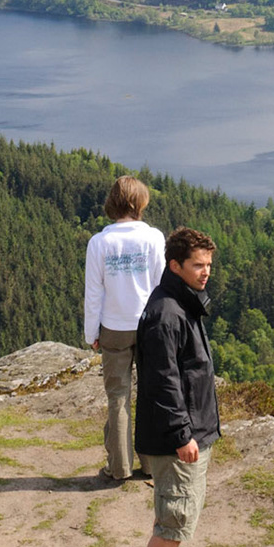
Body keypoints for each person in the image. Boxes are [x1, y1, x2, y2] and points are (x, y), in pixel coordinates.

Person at [123, 226, 219, 547]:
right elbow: (162, 382)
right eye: (197, 265)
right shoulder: (166, 314)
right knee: (173, 523)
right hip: (177, 438)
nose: (205, 273)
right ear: (175, 265)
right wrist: (183, 434)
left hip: (190, 431)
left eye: (209, 266)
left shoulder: (179, 302)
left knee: (178, 516)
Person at [84, 175, 164, 482]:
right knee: (149, 394)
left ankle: (118, 468)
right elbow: (161, 287)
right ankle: (151, 465)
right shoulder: (154, 238)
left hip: (113, 328)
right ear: (140, 203)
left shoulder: (99, 243)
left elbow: (95, 293)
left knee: (118, 397)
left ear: (112, 204)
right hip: (148, 327)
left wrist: (92, 333)